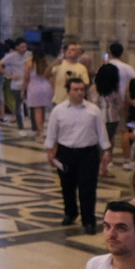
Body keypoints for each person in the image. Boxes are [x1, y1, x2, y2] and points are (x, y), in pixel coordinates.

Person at [45, 76, 110, 234]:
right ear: (68, 91)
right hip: (66, 152)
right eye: (76, 89)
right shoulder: (58, 111)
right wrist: (50, 151)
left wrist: (106, 151)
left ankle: (89, 220)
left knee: (87, 188)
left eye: (82, 89)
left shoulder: (93, 110)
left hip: (88, 153)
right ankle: (70, 213)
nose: (79, 93)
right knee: (67, 186)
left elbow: (102, 132)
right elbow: (52, 132)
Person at [25, 48, 55, 135]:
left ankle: (40, 131)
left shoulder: (30, 64)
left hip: (34, 87)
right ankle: (41, 127)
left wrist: (23, 89)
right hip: (46, 87)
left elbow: (26, 77)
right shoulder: (46, 64)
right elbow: (50, 76)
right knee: (43, 109)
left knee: (37, 110)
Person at [1, 39, 30, 127]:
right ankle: (20, 124)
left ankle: (31, 123)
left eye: (25, 47)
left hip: (28, 83)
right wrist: (10, 75)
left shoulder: (29, 54)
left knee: (29, 104)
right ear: (17, 47)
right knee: (18, 104)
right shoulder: (11, 56)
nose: (24, 49)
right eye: (21, 47)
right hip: (17, 83)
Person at [53, 42, 91, 107]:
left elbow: (86, 83)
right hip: (60, 100)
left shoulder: (82, 68)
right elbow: (48, 74)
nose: (72, 52)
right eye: (70, 50)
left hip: (75, 101)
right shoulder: (59, 64)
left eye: (75, 50)